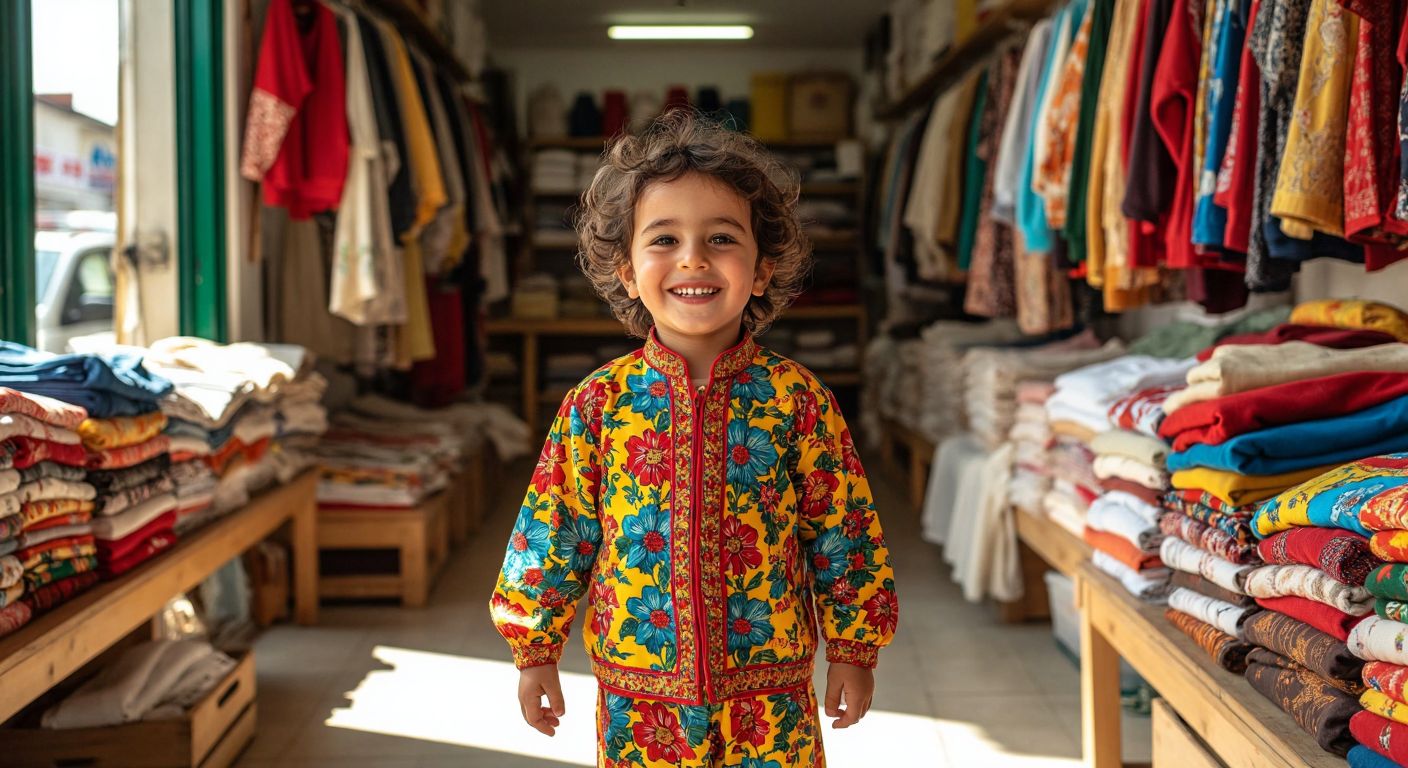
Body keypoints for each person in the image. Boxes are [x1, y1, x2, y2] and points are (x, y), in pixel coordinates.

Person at [490, 110, 898, 768]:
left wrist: (854, 650)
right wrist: (534, 650)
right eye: (664, 239)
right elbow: (553, 528)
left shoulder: (797, 400)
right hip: (638, 698)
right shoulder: (598, 404)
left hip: (771, 697)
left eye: (721, 238)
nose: (693, 258)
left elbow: (844, 531)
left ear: (762, 270)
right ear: (626, 271)